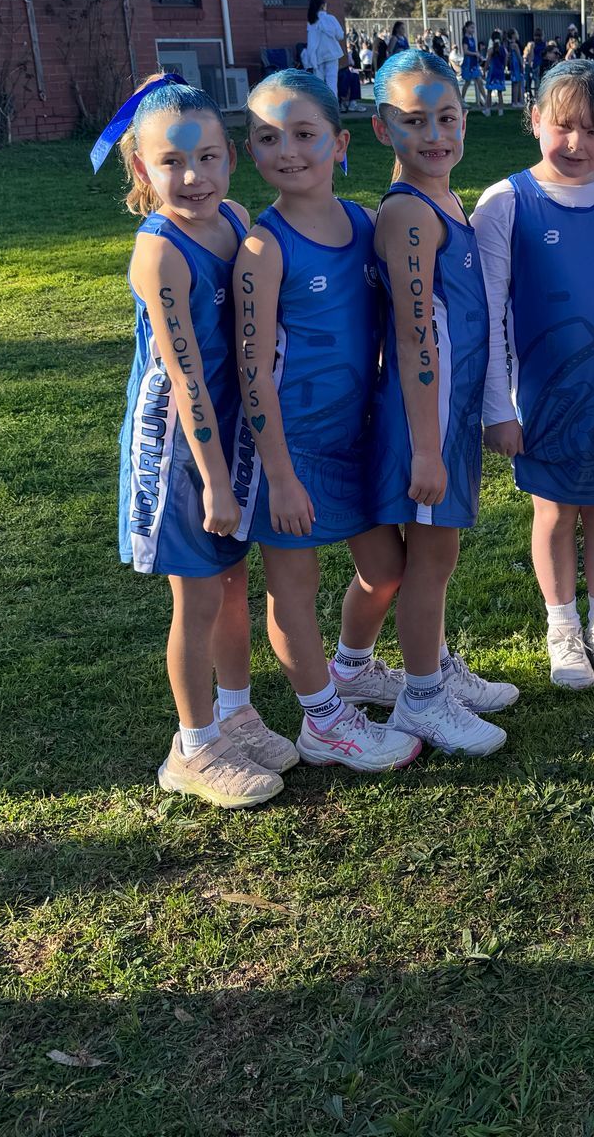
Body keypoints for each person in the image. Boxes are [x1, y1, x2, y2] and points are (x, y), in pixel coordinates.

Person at [231, 71, 423, 774]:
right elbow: (253, 371)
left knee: (388, 569)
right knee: (294, 590)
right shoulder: (264, 247)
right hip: (294, 449)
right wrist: (278, 475)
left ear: (340, 143)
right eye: (268, 138)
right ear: (250, 150)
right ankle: (322, 720)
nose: (289, 151)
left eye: (305, 134)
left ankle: (353, 666)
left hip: (357, 437)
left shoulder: (365, 222)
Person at [112, 78, 287, 809]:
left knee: (233, 580)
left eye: (209, 156)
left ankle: (235, 710)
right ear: (142, 171)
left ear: (230, 159)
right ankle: (192, 746)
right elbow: (184, 382)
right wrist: (214, 478)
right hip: (182, 448)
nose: (194, 177)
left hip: (229, 431)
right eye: (173, 162)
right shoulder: (160, 254)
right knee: (197, 596)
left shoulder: (234, 219)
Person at [475, 59, 594, 690]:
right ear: (534, 122)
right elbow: (490, 311)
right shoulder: (504, 203)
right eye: (564, 126)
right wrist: (498, 407)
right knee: (553, 510)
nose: (578, 144)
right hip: (543, 394)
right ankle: (562, 629)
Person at [364, 49, 519, 755]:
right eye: (414, 120)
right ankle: (422, 699)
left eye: (447, 117)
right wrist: (426, 446)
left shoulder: (443, 199)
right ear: (380, 128)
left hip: (446, 413)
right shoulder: (409, 215)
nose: (435, 134)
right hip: (421, 416)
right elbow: (413, 332)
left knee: (436, 555)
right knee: (431, 556)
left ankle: (411, 669)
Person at [302, 0, 346, 107]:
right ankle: (333, 106)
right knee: (332, 81)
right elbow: (340, 35)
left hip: (317, 56)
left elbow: (311, 41)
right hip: (331, 53)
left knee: (319, 83)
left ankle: (320, 107)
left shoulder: (312, 21)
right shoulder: (330, 19)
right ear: (322, 6)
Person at [457, 20, 486, 112]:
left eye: (474, 27)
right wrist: (475, 54)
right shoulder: (465, 39)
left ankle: (486, 100)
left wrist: (479, 55)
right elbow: (465, 51)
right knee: (468, 82)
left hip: (474, 63)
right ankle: (461, 100)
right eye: (471, 27)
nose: (473, 29)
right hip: (468, 63)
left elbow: (474, 50)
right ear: (467, 28)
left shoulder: (472, 38)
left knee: (479, 81)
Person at [485, 29, 509, 118]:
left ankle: (488, 110)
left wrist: (484, 70)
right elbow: (506, 60)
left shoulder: (491, 49)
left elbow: (487, 61)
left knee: (489, 92)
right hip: (500, 71)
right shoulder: (504, 49)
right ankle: (500, 111)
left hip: (492, 72)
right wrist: (504, 66)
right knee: (500, 93)